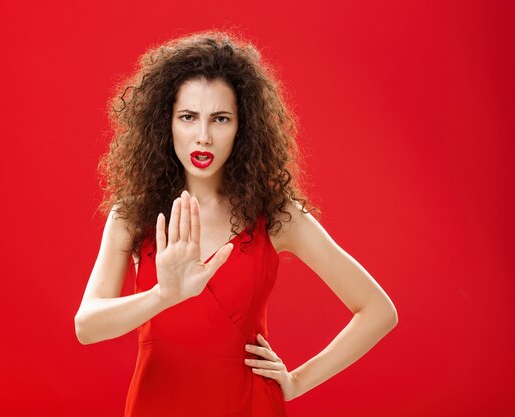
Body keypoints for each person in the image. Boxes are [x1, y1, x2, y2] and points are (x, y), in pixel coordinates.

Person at [74, 30, 398, 417]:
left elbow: (379, 311)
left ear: (242, 128)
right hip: (156, 404)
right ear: (166, 123)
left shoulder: (278, 216)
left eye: (221, 119)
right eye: (188, 117)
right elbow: (87, 327)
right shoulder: (132, 215)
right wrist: (164, 295)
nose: (204, 136)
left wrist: (296, 382)